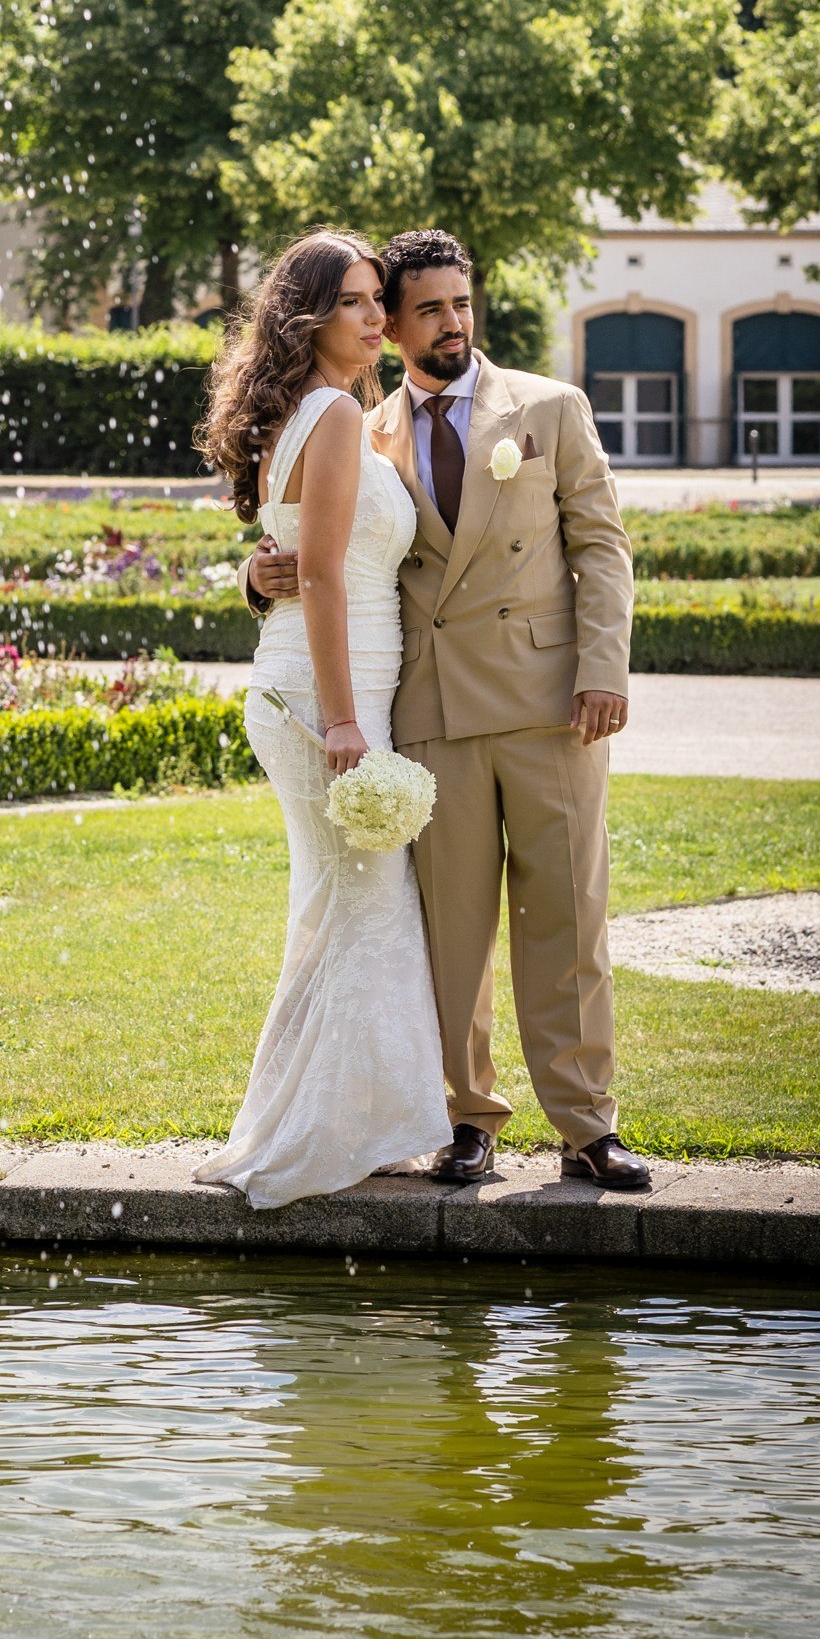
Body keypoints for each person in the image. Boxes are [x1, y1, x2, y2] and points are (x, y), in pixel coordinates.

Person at [247, 227, 651, 1193]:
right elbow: (323, 550)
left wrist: (605, 671)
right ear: (392, 321)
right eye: (428, 308)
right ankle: (469, 1120)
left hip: (551, 704)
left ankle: (588, 1127)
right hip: (428, 714)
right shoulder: (363, 424)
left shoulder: (551, 408)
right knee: (451, 936)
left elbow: (603, 549)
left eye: (461, 304)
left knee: (567, 919)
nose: (452, 322)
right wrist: (263, 577)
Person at [192, 230, 452, 1206]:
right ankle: (320, 1136)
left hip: (306, 688)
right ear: (310, 316)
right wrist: (346, 725)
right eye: (356, 301)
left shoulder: (302, 415)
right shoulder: (335, 418)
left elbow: (287, 560)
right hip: (321, 704)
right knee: (362, 912)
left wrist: (261, 585)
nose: (378, 318)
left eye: (378, 299)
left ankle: (331, 1123)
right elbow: (330, 583)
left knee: (339, 914)